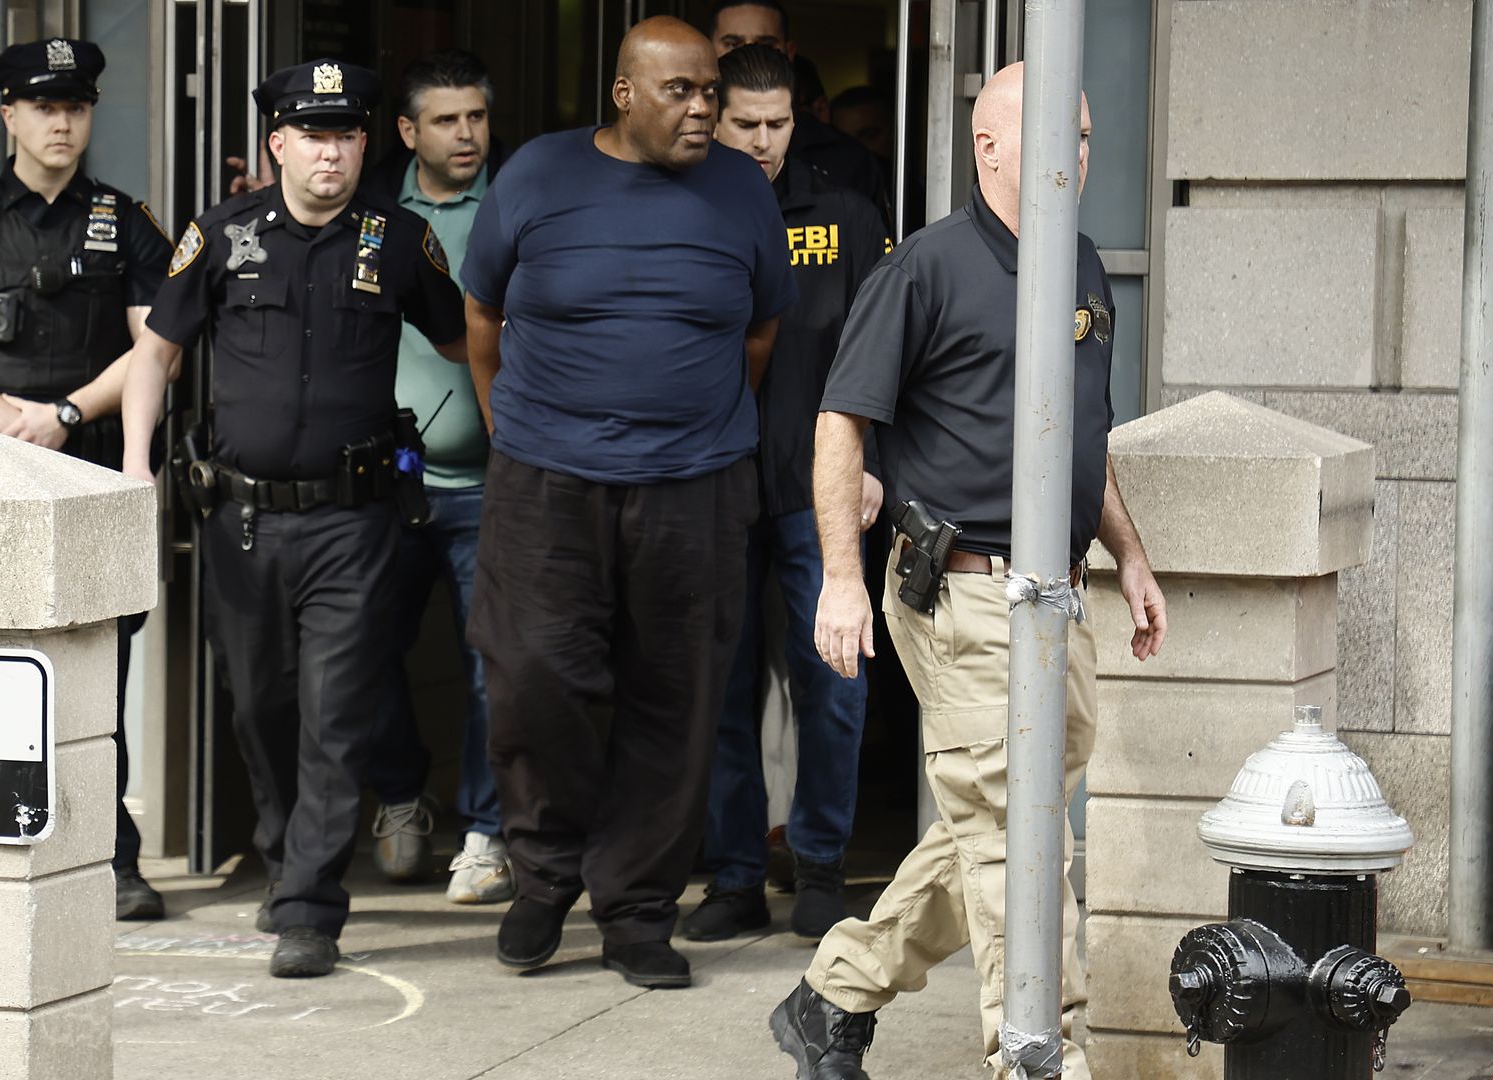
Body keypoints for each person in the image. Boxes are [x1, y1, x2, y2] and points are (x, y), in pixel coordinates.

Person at [767, 63, 1167, 1080]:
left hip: (1055, 589)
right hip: (962, 587)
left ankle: (836, 993)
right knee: (1020, 832)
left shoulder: (1076, 261)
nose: (1074, 157)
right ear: (988, 148)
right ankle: (1038, 1050)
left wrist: (1131, 555)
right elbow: (840, 423)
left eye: (1081, 137)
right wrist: (841, 579)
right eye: (1049, 137)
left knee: (998, 814)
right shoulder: (927, 268)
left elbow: (1087, 434)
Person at [460, 16, 796, 991]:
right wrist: (515, 429)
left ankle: (638, 908)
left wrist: (687, 417)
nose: (702, 110)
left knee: (676, 695)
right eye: (680, 92)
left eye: (709, 91)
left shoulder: (740, 188)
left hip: (694, 485)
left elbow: (760, 331)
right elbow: (483, 316)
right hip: (545, 483)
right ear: (624, 95)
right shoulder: (537, 175)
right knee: (533, 676)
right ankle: (544, 872)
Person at [116, 59, 467, 979]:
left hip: (354, 525)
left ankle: (312, 902)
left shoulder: (399, 240)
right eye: (313, 134)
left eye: (347, 134)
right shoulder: (220, 235)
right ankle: (286, 860)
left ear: (365, 144)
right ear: (277, 143)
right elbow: (155, 354)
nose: (331, 151)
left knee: (334, 712)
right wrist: (132, 469)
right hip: (241, 522)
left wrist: (510, 458)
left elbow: (473, 344)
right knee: (261, 705)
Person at [0, 37, 173, 922]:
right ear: (8, 115)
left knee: (99, 672)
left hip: (83, 466)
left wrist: (66, 415)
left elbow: (153, 348)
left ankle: (112, 856)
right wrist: (4, 418)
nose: (62, 122)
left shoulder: (125, 221)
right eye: (45, 107)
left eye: (77, 107)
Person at [684, 44, 889, 947]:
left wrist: (875, 459)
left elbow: (881, 349)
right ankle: (731, 875)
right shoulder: (680, 202)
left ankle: (818, 868)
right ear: (713, 116)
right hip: (711, 484)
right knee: (718, 686)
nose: (763, 143)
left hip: (819, 485)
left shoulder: (843, 212)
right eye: (745, 125)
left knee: (833, 681)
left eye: (778, 126)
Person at [353, 50, 514, 903]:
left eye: (476, 118)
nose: (465, 134)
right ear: (409, 131)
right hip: (387, 484)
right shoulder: (370, 214)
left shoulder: (519, 208)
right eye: (446, 120)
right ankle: (399, 794)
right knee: (363, 647)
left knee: (493, 659)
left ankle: (487, 833)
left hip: (491, 483)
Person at [706, 1, 889, 221]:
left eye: (777, 124)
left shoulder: (847, 193)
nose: (762, 141)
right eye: (733, 44)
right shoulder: (681, 191)